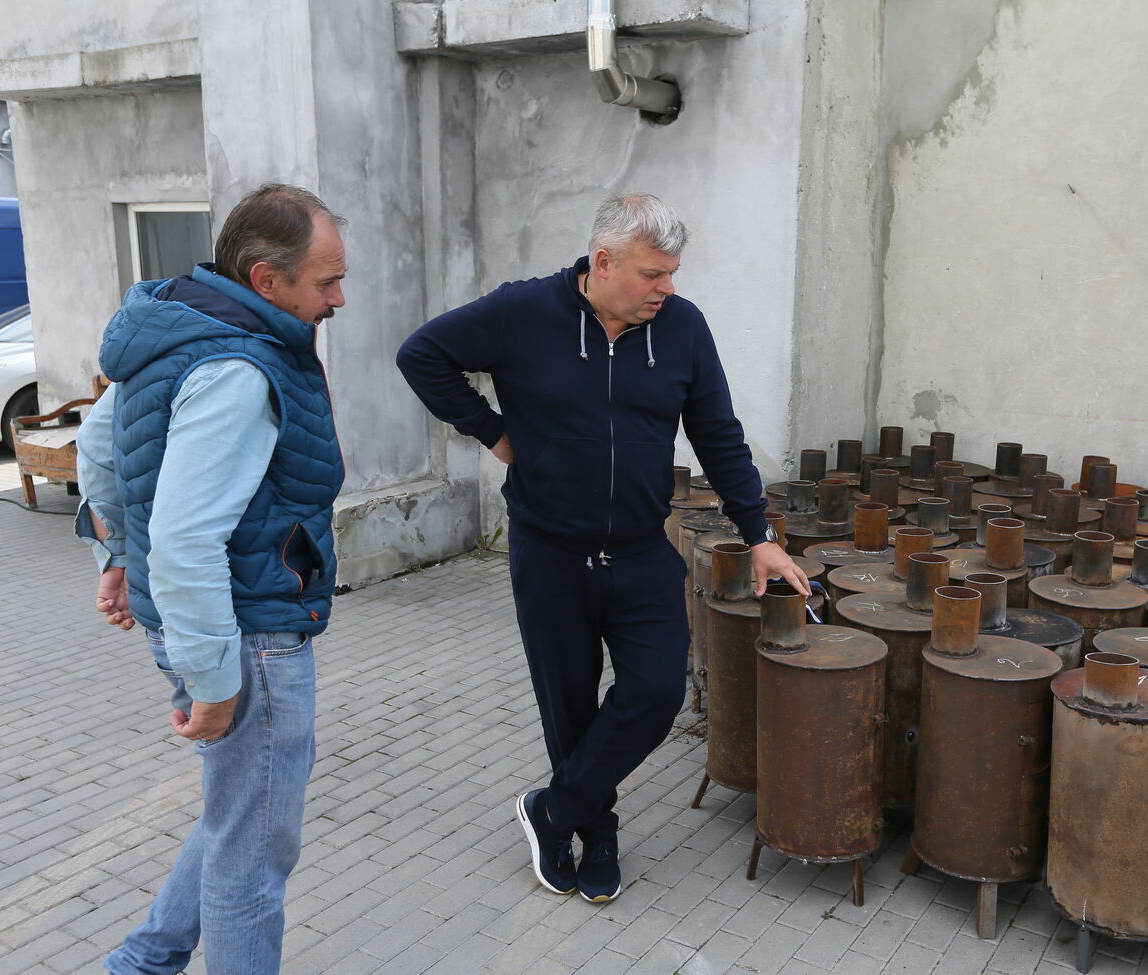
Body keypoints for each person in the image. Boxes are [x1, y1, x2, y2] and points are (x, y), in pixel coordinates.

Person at [397, 192, 807, 904]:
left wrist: (759, 536)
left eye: (674, 271)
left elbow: (718, 432)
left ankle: (555, 809)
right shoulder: (523, 313)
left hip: (642, 548)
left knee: (655, 691)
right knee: (569, 705)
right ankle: (598, 829)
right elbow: (422, 354)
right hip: (550, 551)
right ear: (604, 261)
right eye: (654, 273)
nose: (668, 287)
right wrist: (493, 433)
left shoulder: (681, 329)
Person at [75, 183, 347, 975]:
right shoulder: (240, 363)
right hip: (248, 634)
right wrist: (214, 678)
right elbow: (188, 536)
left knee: (241, 812)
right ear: (266, 280)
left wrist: (118, 556)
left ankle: (146, 959)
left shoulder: (181, 329)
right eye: (325, 282)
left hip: (205, 623)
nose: (339, 298)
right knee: (254, 855)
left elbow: (100, 451)